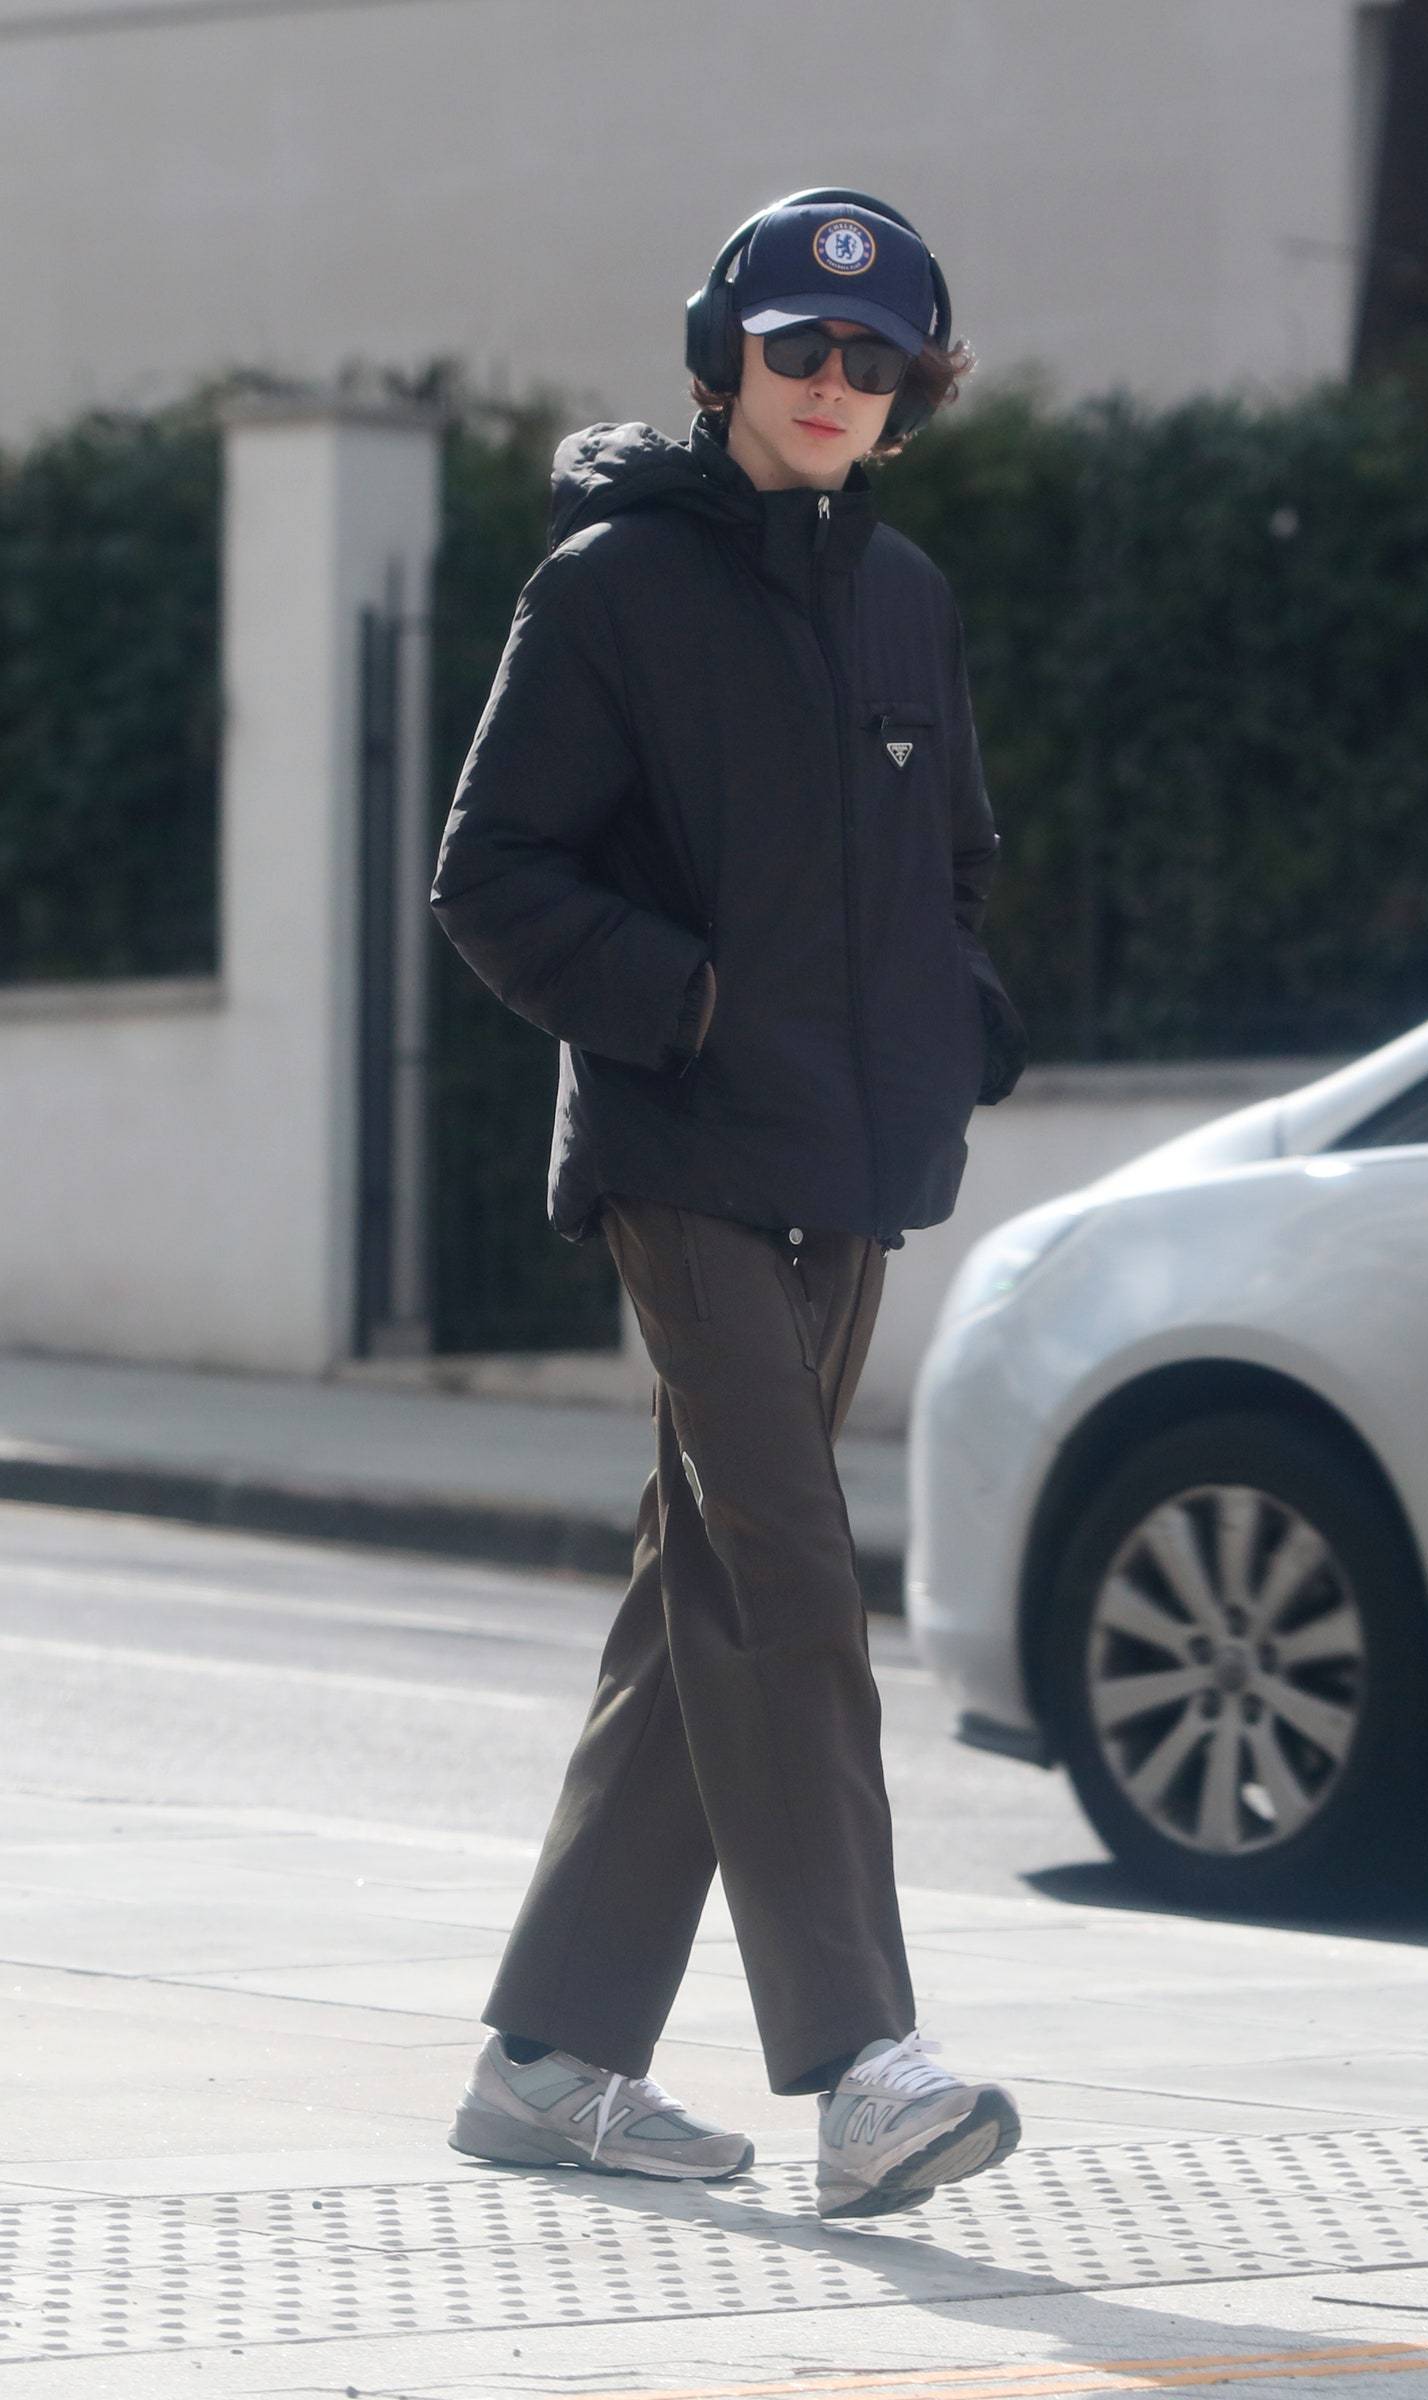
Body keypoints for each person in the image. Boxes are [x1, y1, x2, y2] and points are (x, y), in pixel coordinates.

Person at [430, 187, 1029, 2221]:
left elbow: (949, 862)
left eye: (872, 361)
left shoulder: (907, 602)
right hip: (681, 1154)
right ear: (723, 359)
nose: (832, 385)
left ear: (907, 390)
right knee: (787, 1577)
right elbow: (490, 876)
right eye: (797, 348)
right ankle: (860, 2062)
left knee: (699, 1600)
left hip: (844, 1171)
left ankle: (550, 2057)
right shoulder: (608, 588)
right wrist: (674, 1006)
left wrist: (949, 1020)